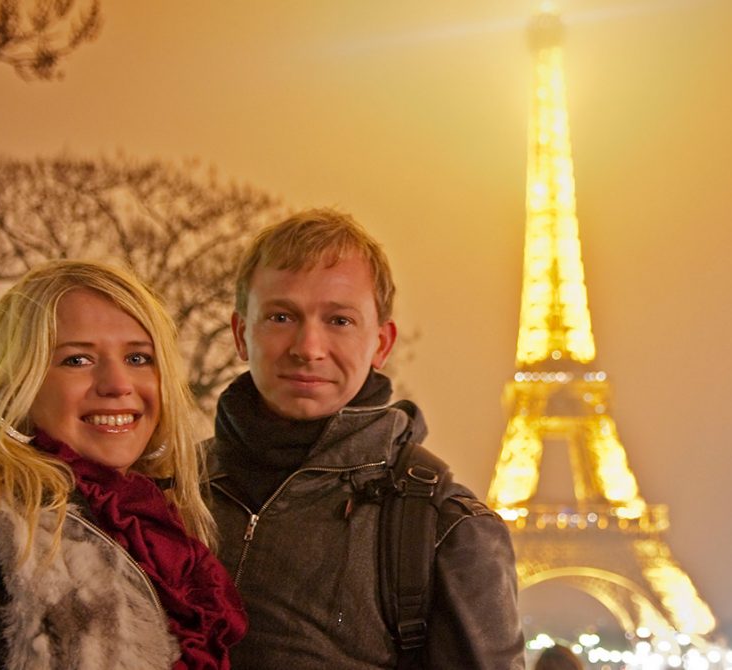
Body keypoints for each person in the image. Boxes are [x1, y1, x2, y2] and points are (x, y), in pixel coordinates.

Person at [0, 259, 246, 669]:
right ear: (17, 381)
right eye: (77, 360)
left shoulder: (154, 530)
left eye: (139, 358)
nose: (118, 384)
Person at [205, 207, 525, 668]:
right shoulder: (168, 492)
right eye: (280, 317)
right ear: (240, 334)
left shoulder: (445, 527)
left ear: (382, 343)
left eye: (339, 321)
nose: (307, 348)